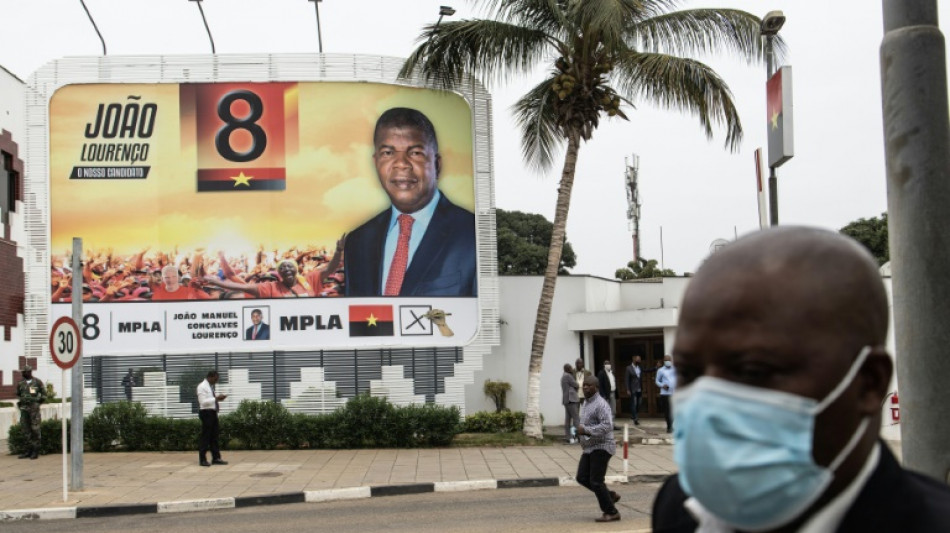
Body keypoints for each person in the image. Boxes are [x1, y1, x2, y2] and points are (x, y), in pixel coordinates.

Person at [652, 227, 950, 533]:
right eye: (688, 373)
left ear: (869, 383)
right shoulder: (677, 507)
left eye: (752, 371)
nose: (707, 403)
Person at [344, 107, 477, 297]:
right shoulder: (357, 242)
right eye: (388, 153)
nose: (401, 164)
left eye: (415, 153)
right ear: (376, 163)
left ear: (437, 165)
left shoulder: (473, 234)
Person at [576, 376, 621, 523]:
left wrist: (587, 431)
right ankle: (610, 496)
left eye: (589, 385)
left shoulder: (601, 404)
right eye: (584, 385)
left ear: (596, 387)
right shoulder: (586, 403)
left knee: (596, 481)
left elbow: (607, 425)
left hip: (602, 446)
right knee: (582, 477)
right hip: (590, 448)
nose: (585, 388)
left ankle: (611, 512)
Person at [196, 370, 228, 467]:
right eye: (215, 379)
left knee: (214, 436)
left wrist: (218, 399)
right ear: (210, 377)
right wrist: (216, 398)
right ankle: (202, 459)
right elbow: (202, 402)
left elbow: (211, 400)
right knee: (206, 436)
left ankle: (216, 458)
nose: (216, 381)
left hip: (212, 412)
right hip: (206, 413)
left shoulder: (210, 387)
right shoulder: (202, 387)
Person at [16, 364, 46, 459]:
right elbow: (18, 394)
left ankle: (35, 451)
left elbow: (44, 395)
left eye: (24, 372)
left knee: (35, 429)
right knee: (25, 430)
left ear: (29, 372)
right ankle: (27, 450)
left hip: (34, 410)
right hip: (24, 410)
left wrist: (37, 403)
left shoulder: (37, 382)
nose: (23, 374)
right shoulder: (21, 384)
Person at [624, 356, 654, 426]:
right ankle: (635, 418)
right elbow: (627, 379)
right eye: (638, 359)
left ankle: (634, 415)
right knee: (634, 403)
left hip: (639, 389)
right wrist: (628, 389)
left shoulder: (639, 367)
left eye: (640, 359)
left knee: (639, 403)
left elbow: (646, 370)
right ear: (634, 359)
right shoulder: (628, 368)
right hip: (632, 389)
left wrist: (655, 368)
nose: (640, 360)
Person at [655, 354, 676, 433]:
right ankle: (669, 426)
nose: (668, 362)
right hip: (665, 394)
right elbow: (657, 381)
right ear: (664, 361)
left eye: (669, 360)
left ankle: (671, 424)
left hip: (674, 393)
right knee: (667, 411)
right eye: (666, 360)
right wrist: (662, 385)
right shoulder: (660, 370)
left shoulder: (674, 369)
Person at [561, 363, 580, 444]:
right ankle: (578, 436)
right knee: (576, 419)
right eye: (571, 368)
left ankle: (569, 437)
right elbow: (576, 384)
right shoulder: (568, 376)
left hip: (566, 400)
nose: (572, 369)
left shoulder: (563, 376)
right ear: (567, 369)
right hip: (571, 399)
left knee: (568, 420)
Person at [596, 361, 617, 429]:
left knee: (613, 410)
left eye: (609, 364)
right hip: (605, 394)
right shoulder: (601, 373)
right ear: (604, 365)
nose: (608, 365)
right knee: (605, 411)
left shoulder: (611, 372)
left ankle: (612, 425)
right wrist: (603, 395)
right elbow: (600, 385)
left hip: (612, 393)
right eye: (606, 364)